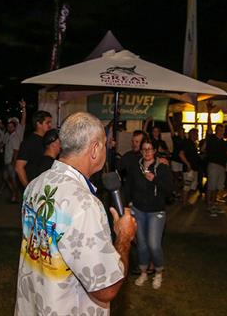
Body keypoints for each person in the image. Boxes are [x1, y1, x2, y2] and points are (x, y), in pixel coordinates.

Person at [15, 112, 137, 315]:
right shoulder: (83, 204)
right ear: (95, 148)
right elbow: (105, 289)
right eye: (105, 144)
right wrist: (124, 238)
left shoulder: (36, 184)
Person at [127, 139, 173, 289]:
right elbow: (129, 186)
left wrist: (155, 179)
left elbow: (169, 191)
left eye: (150, 149)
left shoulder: (162, 167)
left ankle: (159, 272)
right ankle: (143, 272)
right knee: (142, 245)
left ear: (155, 151)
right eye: (144, 149)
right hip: (138, 210)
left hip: (156, 211)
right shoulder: (136, 166)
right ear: (141, 151)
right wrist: (129, 204)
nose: (147, 152)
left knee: (154, 245)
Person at [15, 109, 52, 188]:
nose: (50, 125)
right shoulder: (29, 142)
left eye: (50, 122)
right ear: (38, 124)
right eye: (47, 123)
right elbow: (19, 167)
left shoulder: (47, 140)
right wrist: (28, 188)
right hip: (33, 186)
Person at [1, 100, 26, 203]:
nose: (11, 126)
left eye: (14, 123)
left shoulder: (18, 132)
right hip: (7, 161)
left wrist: (23, 108)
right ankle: (14, 194)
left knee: (13, 179)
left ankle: (15, 196)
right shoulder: (8, 134)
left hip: (12, 161)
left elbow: (23, 120)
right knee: (6, 178)